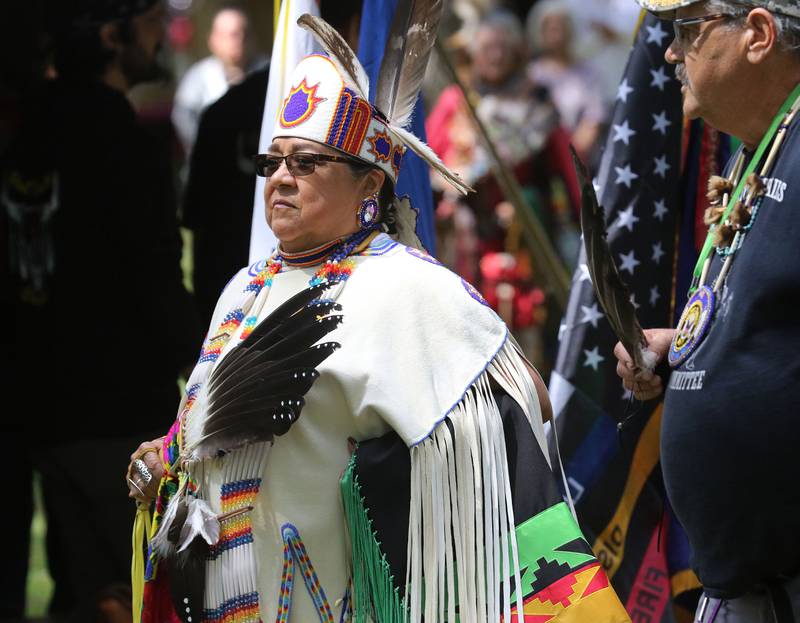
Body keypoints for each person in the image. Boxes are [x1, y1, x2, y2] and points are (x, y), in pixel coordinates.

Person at [129, 15, 630, 623]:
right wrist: (170, 455)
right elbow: (210, 424)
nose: (282, 178)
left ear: (370, 183)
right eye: (274, 162)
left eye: (308, 162)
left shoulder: (412, 291)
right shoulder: (244, 288)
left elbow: (514, 434)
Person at [2, 0, 201, 620]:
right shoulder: (127, 143)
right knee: (127, 595)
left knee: (75, 593)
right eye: (149, 24)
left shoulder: (22, 134)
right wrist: (204, 378)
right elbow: (157, 280)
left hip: (32, 406)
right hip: (117, 414)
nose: (160, 37)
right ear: (113, 38)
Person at [614, 1, 800, 621]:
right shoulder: (759, 150)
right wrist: (688, 349)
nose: (670, 53)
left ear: (758, 34)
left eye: (688, 32)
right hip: (744, 589)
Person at [171, 5, 260, 155]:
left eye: (245, 33)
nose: (240, 40)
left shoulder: (265, 71)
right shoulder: (199, 76)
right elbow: (182, 117)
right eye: (232, 35)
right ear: (213, 39)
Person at [526, 0, 607, 160]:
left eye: (562, 26)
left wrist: (572, 154)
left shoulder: (588, 72)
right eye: (551, 27)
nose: (557, 33)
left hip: (584, 160)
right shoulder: (532, 75)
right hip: (545, 159)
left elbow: (595, 117)